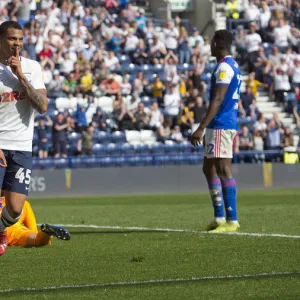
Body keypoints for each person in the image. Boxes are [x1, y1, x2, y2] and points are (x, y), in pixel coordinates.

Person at [0, 21, 48, 256]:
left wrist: (20, 76)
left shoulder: (32, 67)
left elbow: (42, 106)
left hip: (21, 148)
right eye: (11, 39)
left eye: (19, 39)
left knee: (16, 210)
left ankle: (1, 230)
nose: (16, 43)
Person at [190, 30, 241, 233]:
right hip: (218, 124)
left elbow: (218, 100)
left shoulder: (224, 68)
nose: (209, 46)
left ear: (218, 44)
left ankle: (232, 220)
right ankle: (219, 217)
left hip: (220, 123)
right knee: (209, 167)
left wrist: (201, 127)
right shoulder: (231, 65)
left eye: (211, 42)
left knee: (222, 169)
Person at [0, 196, 70, 247]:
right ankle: (45, 233)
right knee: (35, 237)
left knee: (35, 240)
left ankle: (43, 234)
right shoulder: (20, 201)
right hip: (17, 206)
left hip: (4, 224)